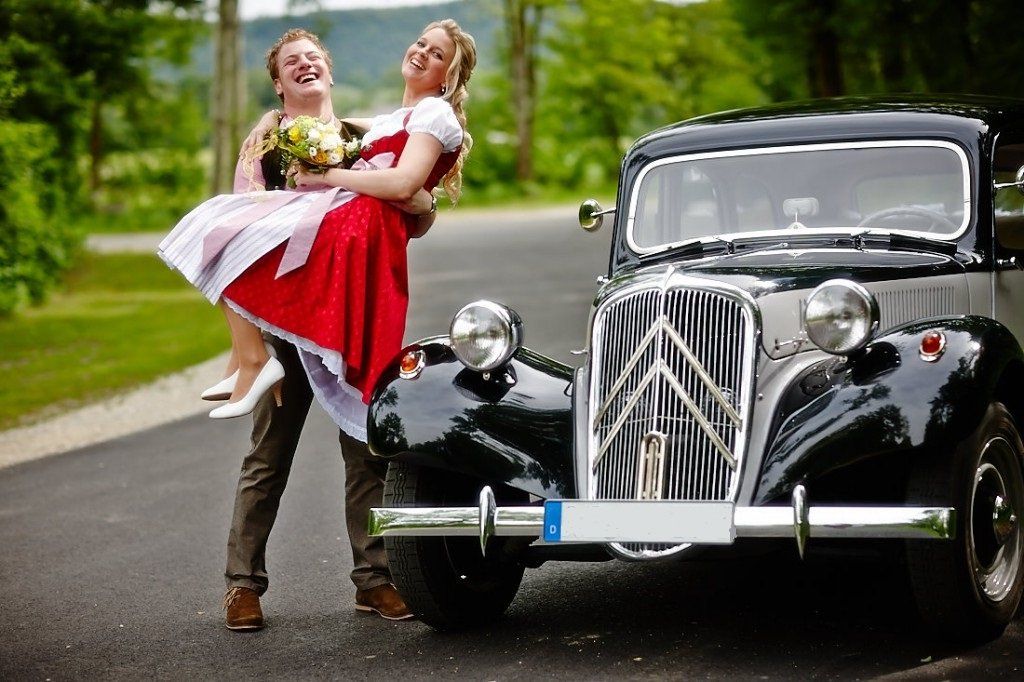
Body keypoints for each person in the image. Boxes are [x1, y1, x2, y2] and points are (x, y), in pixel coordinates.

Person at [158, 22, 477, 629]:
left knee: (365, 451)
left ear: (328, 70)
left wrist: (422, 201)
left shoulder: (366, 134)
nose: (305, 66)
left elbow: (409, 206)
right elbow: (242, 233)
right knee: (267, 456)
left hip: (353, 311)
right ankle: (241, 585)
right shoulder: (269, 139)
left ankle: (374, 579)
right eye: (291, 63)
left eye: (313, 58)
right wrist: (247, 342)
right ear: (279, 86)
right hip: (288, 324)